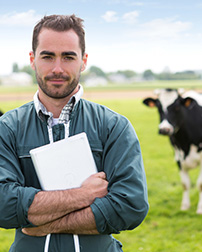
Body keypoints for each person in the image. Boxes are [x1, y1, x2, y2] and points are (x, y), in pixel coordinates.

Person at [0, 14, 149, 252]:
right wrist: (84, 194)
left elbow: (130, 207)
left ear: (83, 60)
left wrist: (42, 224)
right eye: (47, 56)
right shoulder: (6, 128)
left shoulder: (113, 126)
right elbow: (3, 205)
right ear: (32, 59)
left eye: (68, 57)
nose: (57, 68)